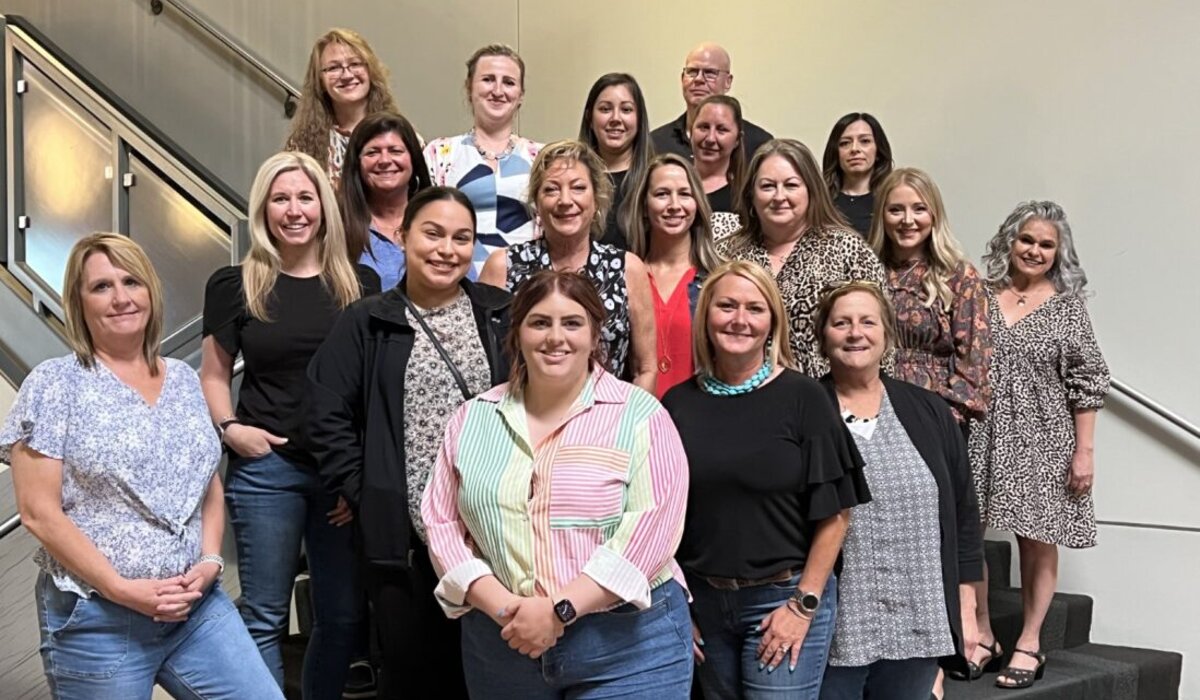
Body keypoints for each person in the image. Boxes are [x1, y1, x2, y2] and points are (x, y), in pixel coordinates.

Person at [2, 233, 281, 699]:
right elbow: (37, 512)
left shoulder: (183, 380)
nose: (121, 298)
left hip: (196, 610)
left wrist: (212, 559)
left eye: (131, 281)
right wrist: (122, 589)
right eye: (101, 286)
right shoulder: (53, 384)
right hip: (99, 620)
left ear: (151, 290)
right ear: (78, 301)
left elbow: (206, 483)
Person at [421, 270, 693, 699]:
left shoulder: (640, 414)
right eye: (539, 322)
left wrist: (559, 611)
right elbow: (441, 524)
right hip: (504, 643)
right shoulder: (472, 419)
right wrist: (505, 609)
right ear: (518, 332)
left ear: (594, 334)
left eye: (572, 323)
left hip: (629, 647)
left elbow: (652, 529)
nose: (555, 337)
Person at [308, 186, 510, 699]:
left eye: (461, 238)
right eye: (433, 233)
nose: (447, 250)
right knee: (415, 675)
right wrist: (365, 491)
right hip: (407, 541)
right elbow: (325, 409)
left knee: (493, 675)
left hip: (495, 533)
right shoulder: (370, 320)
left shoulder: (499, 313)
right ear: (403, 237)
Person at [200, 151, 377, 699]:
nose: (294, 210)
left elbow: (372, 388)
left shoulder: (359, 284)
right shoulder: (235, 284)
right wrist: (231, 428)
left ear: (323, 207)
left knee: (344, 618)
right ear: (263, 209)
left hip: (336, 475)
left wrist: (357, 475)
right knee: (264, 618)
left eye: (305, 198)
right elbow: (211, 375)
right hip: (264, 467)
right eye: (281, 199)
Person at [662, 261, 871, 700]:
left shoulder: (805, 398)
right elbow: (664, 517)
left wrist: (803, 605)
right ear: (706, 315)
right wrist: (681, 605)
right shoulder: (677, 404)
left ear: (772, 322)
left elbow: (835, 515)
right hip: (704, 603)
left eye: (755, 309)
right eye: (727, 306)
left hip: (783, 597)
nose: (740, 319)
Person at [813, 281, 984, 700]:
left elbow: (962, 515)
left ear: (887, 333)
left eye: (868, 322)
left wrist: (966, 611)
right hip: (837, 626)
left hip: (918, 622)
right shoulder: (804, 410)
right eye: (842, 323)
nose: (856, 333)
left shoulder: (929, 411)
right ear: (822, 337)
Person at [967, 201, 1109, 690]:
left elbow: (1088, 380)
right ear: (1009, 240)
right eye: (1027, 240)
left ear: (1058, 253)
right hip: (980, 431)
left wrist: (1084, 451)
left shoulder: (1067, 308)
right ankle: (982, 632)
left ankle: (1029, 642)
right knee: (970, 532)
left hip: (1044, 435)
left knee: (1037, 533)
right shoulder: (979, 295)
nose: (1034, 250)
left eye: (1046, 245)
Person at [478, 140, 657, 394]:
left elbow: (645, 368)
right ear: (537, 203)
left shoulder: (627, 268)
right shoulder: (503, 266)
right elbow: (484, 364)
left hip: (608, 424)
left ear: (596, 199)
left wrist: (628, 427)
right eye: (551, 189)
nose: (565, 200)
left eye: (578, 188)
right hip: (523, 420)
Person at [719, 139, 885, 378]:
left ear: (811, 191)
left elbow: (881, 338)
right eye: (767, 186)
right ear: (751, 195)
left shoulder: (849, 250)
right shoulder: (727, 253)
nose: (779, 196)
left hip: (827, 397)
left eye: (791, 185)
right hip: (742, 390)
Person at [868, 168, 990, 426]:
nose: (907, 220)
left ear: (934, 215)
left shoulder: (958, 275)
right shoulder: (867, 269)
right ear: (882, 216)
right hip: (871, 407)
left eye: (919, 209)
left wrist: (947, 417)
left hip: (934, 411)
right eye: (896, 210)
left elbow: (974, 359)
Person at [425, 44, 543, 280]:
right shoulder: (440, 153)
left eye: (509, 82)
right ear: (469, 88)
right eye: (488, 79)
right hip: (455, 284)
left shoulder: (541, 158)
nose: (498, 90)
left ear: (521, 95)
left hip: (528, 287)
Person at [626, 153, 724, 397]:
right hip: (635, 421)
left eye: (685, 194)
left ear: (698, 204)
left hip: (700, 419)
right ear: (644, 207)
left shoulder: (718, 280)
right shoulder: (624, 276)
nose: (674, 205)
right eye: (662, 194)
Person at [286, 28, 401, 186]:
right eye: (333, 68)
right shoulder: (301, 147)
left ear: (371, 71)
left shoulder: (402, 136)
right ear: (320, 81)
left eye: (355, 64)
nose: (347, 75)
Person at [340, 110, 433, 291]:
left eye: (395, 151)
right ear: (357, 164)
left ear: (413, 158)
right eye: (372, 152)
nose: (384, 160)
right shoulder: (336, 226)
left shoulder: (441, 220)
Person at [651, 42, 772, 163]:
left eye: (710, 73)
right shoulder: (655, 143)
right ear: (682, 78)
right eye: (692, 71)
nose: (698, 79)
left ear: (728, 82)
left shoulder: (758, 144)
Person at [578, 72, 655, 250]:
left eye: (626, 110)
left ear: (639, 118)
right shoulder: (574, 180)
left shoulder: (654, 179)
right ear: (590, 117)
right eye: (605, 109)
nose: (615, 119)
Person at [821, 113, 894, 237]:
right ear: (835, 152)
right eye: (845, 143)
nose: (854, 149)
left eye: (865, 141)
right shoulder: (820, 200)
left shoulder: (891, 198)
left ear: (878, 151)